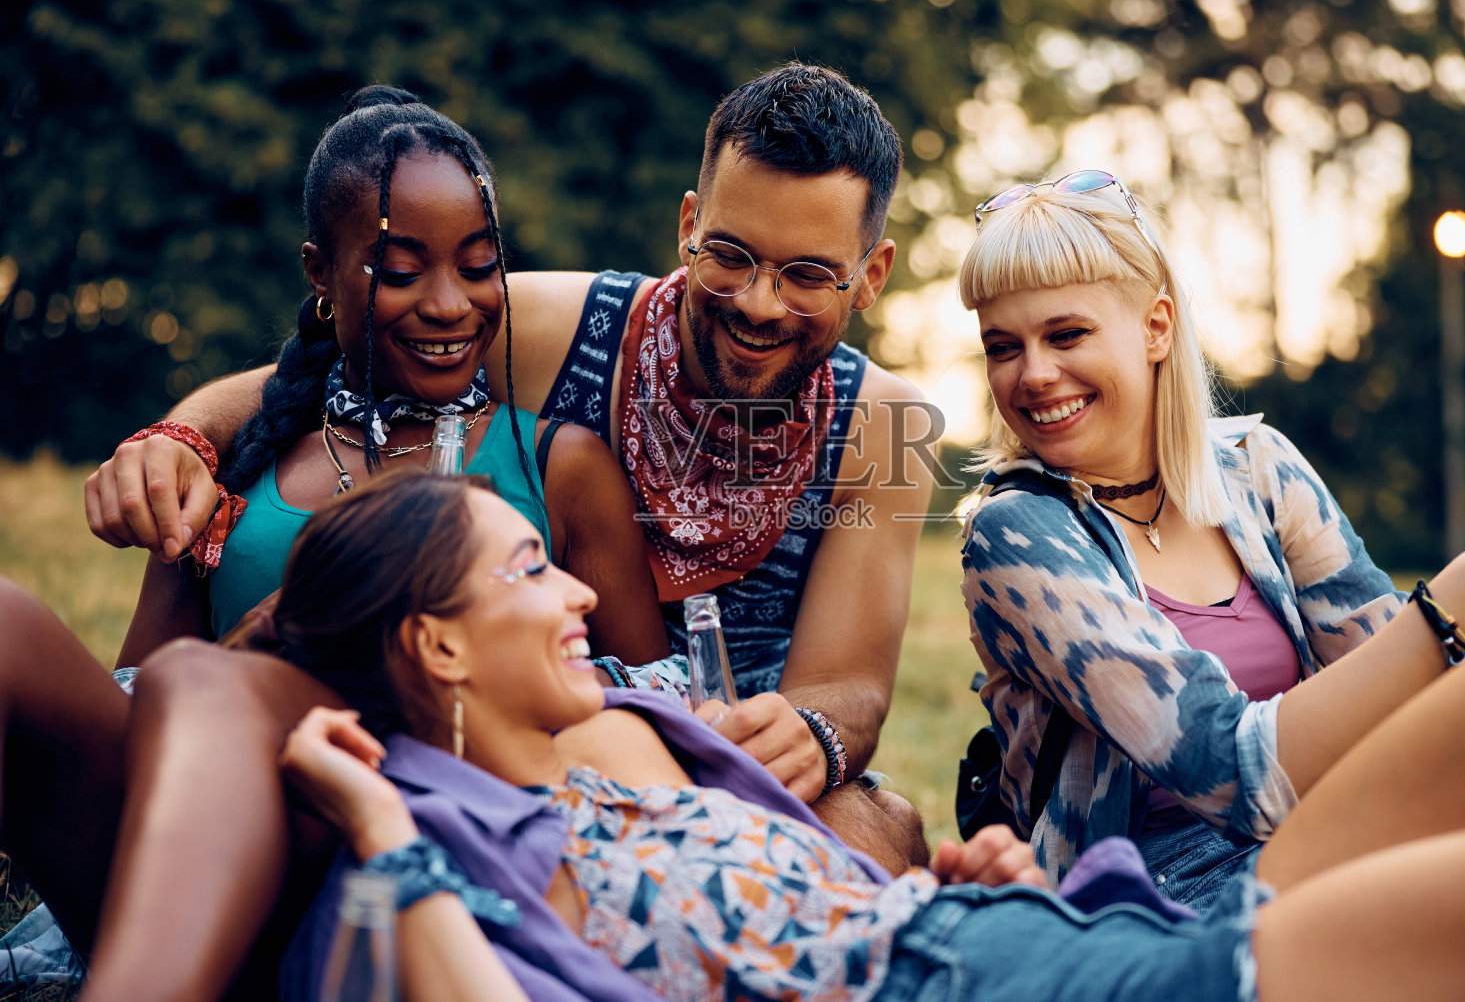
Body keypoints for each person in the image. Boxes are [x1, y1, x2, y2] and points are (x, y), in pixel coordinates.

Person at [278, 471, 1465, 1002]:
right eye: (525, 571)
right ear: (437, 643)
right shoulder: (427, 861)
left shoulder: (632, 730)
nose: (576, 589)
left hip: (1070, 930)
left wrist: (931, 876)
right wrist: (382, 821)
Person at [85, 63, 937, 824]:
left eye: (808, 274)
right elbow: (341, 354)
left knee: (880, 828)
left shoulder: (885, 425)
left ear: (870, 274)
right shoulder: (560, 328)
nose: (758, 301)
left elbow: (854, 683)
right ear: (688, 223)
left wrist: (814, 734)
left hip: (740, 769)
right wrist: (184, 434)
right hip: (514, 737)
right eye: (731, 254)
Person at [0, 85, 665, 1001]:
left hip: (384, 836)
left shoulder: (556, 463)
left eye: (478, 266)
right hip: (179, 829)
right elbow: (141, 689)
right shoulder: (247, 457)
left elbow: (658, 708)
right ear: (321, 270)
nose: (449, 304)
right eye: (401, 269)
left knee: (256, 699)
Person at [955, 170, 1465, 909]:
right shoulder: (1016, 533)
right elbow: (1228, 770)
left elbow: (1398, 675)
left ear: (1156, 326)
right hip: (1162, 895)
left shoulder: (1257, 471)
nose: (1033, 374)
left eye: (1066, 334)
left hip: (1334, 831)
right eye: (1003, 346)